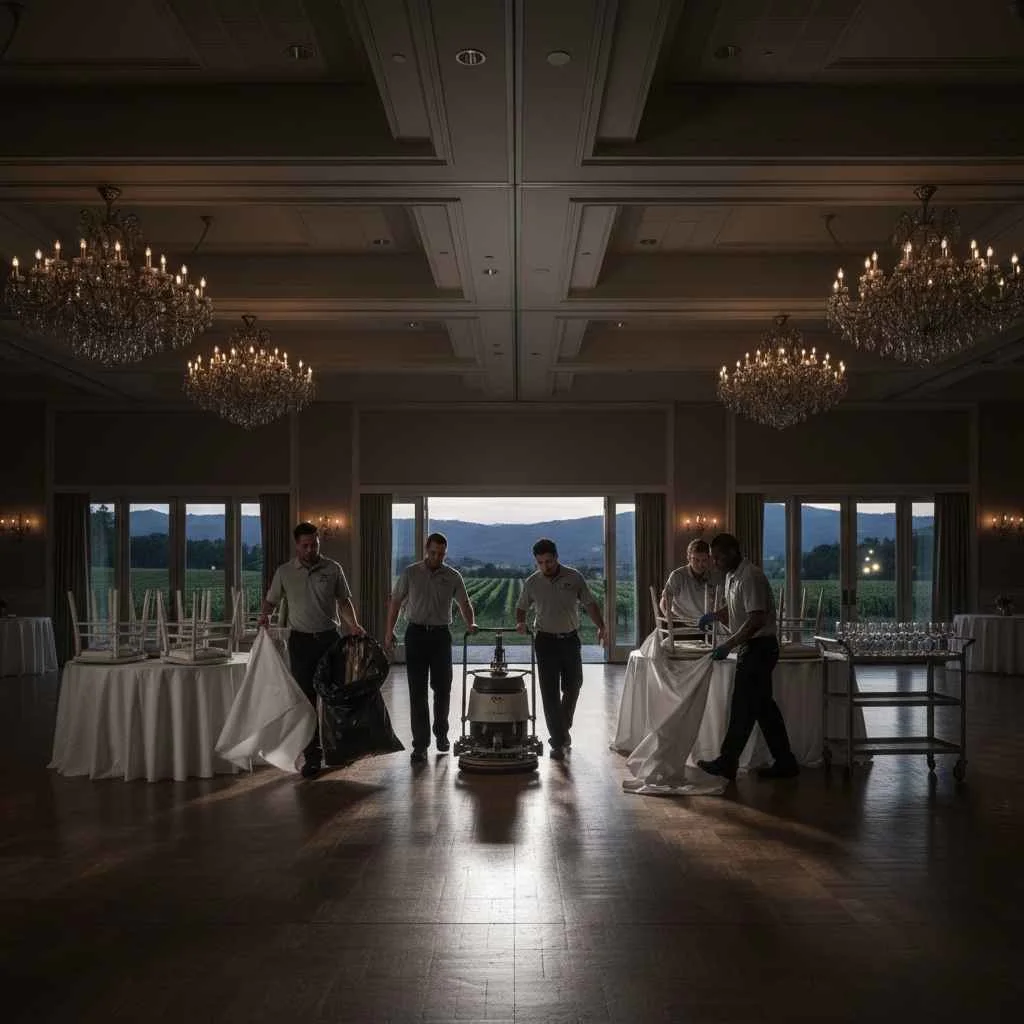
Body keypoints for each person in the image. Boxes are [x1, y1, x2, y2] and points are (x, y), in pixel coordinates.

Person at [258, 522, 365, 779]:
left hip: (330, 639)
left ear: (319, 543)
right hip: (301, 642)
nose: (310, 549)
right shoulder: (284, 572)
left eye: (314, 545)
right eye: (305, 545)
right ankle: (312, 757)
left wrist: (354, 624)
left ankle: (339, 750)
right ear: (297, 545)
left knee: (334, 696)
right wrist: (264, 616)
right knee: (307, 701)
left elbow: (344, 601)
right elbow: (271, 601)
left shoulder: (332, 568)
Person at [695, 532, 799, 781]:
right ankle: (785, 762)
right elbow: (737, 609)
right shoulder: (732, 576)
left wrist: (728, 645)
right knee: (764, 709)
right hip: (751, 647)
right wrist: (717, 615)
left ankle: (727, 762)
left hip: (760, 647)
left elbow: (756, 619)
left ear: (732, 553)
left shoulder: (751, 576)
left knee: (742, 706)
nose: (715, 563)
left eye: (718, 558)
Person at [385, 532, 476, 763]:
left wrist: (470, 622)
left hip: (440, 636)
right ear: (427, 549)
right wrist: (389, 631)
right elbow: (395, 601)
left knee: (443, 688)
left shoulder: (453, 576)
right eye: (433, 552)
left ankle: (442, 734)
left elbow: (464, 602)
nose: (437, 557)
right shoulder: (411, 572)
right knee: (417, 692)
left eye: (442, 554)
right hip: (416, 634)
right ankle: (420, 745)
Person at [516, 538, 606, 761]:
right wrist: (520, 622)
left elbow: (590, 604)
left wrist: (602, 627)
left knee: (574, 683)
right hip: (545, 641)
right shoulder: (532, 582)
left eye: (549, 561)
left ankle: (562, 726)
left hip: (570, 639)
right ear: (536, 562)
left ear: (556, 557)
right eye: (540, 562)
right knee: (549, 691)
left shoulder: (574, 577)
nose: (545, 566)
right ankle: (557, 740)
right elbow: (521, 607)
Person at [660, 538, 721, 625]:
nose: (700, 564)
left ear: (709, 558)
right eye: (696, 560)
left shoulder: (714, 578)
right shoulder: (678, 575)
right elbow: (664, 602)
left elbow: (720, 604)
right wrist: (668, 616)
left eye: (704, 560)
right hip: (681, 623)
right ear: (688, 558)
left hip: (705, 624)